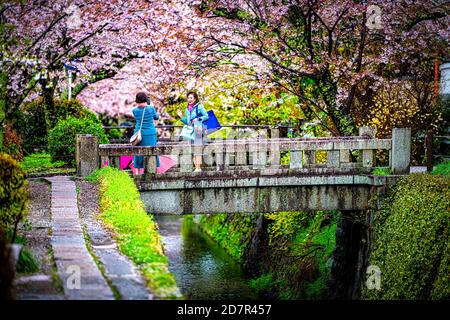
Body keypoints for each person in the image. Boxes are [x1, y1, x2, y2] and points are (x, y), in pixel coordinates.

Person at [176, 91, 209, 172]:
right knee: (193, 149)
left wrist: (198, 119)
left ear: (195, 99)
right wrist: (181, 117)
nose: (189, 99)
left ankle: (198, 168)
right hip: (190, 131)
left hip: (198, 129)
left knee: (197, 149)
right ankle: (196, 168)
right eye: (188, 98)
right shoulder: (187, 109)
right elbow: (188, 122)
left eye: (191, 98)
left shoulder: (199, 106)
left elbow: (206, 116)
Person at [132, 92, 159, 175]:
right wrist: (149, 105)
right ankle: (153, 171)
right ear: (145, 99)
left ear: (136, 100)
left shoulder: (134, 111)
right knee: (152, 151)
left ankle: (137, 172)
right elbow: (156, 117)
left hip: (139, 134)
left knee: (138, 152)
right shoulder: (151, 108)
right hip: (150, 133)